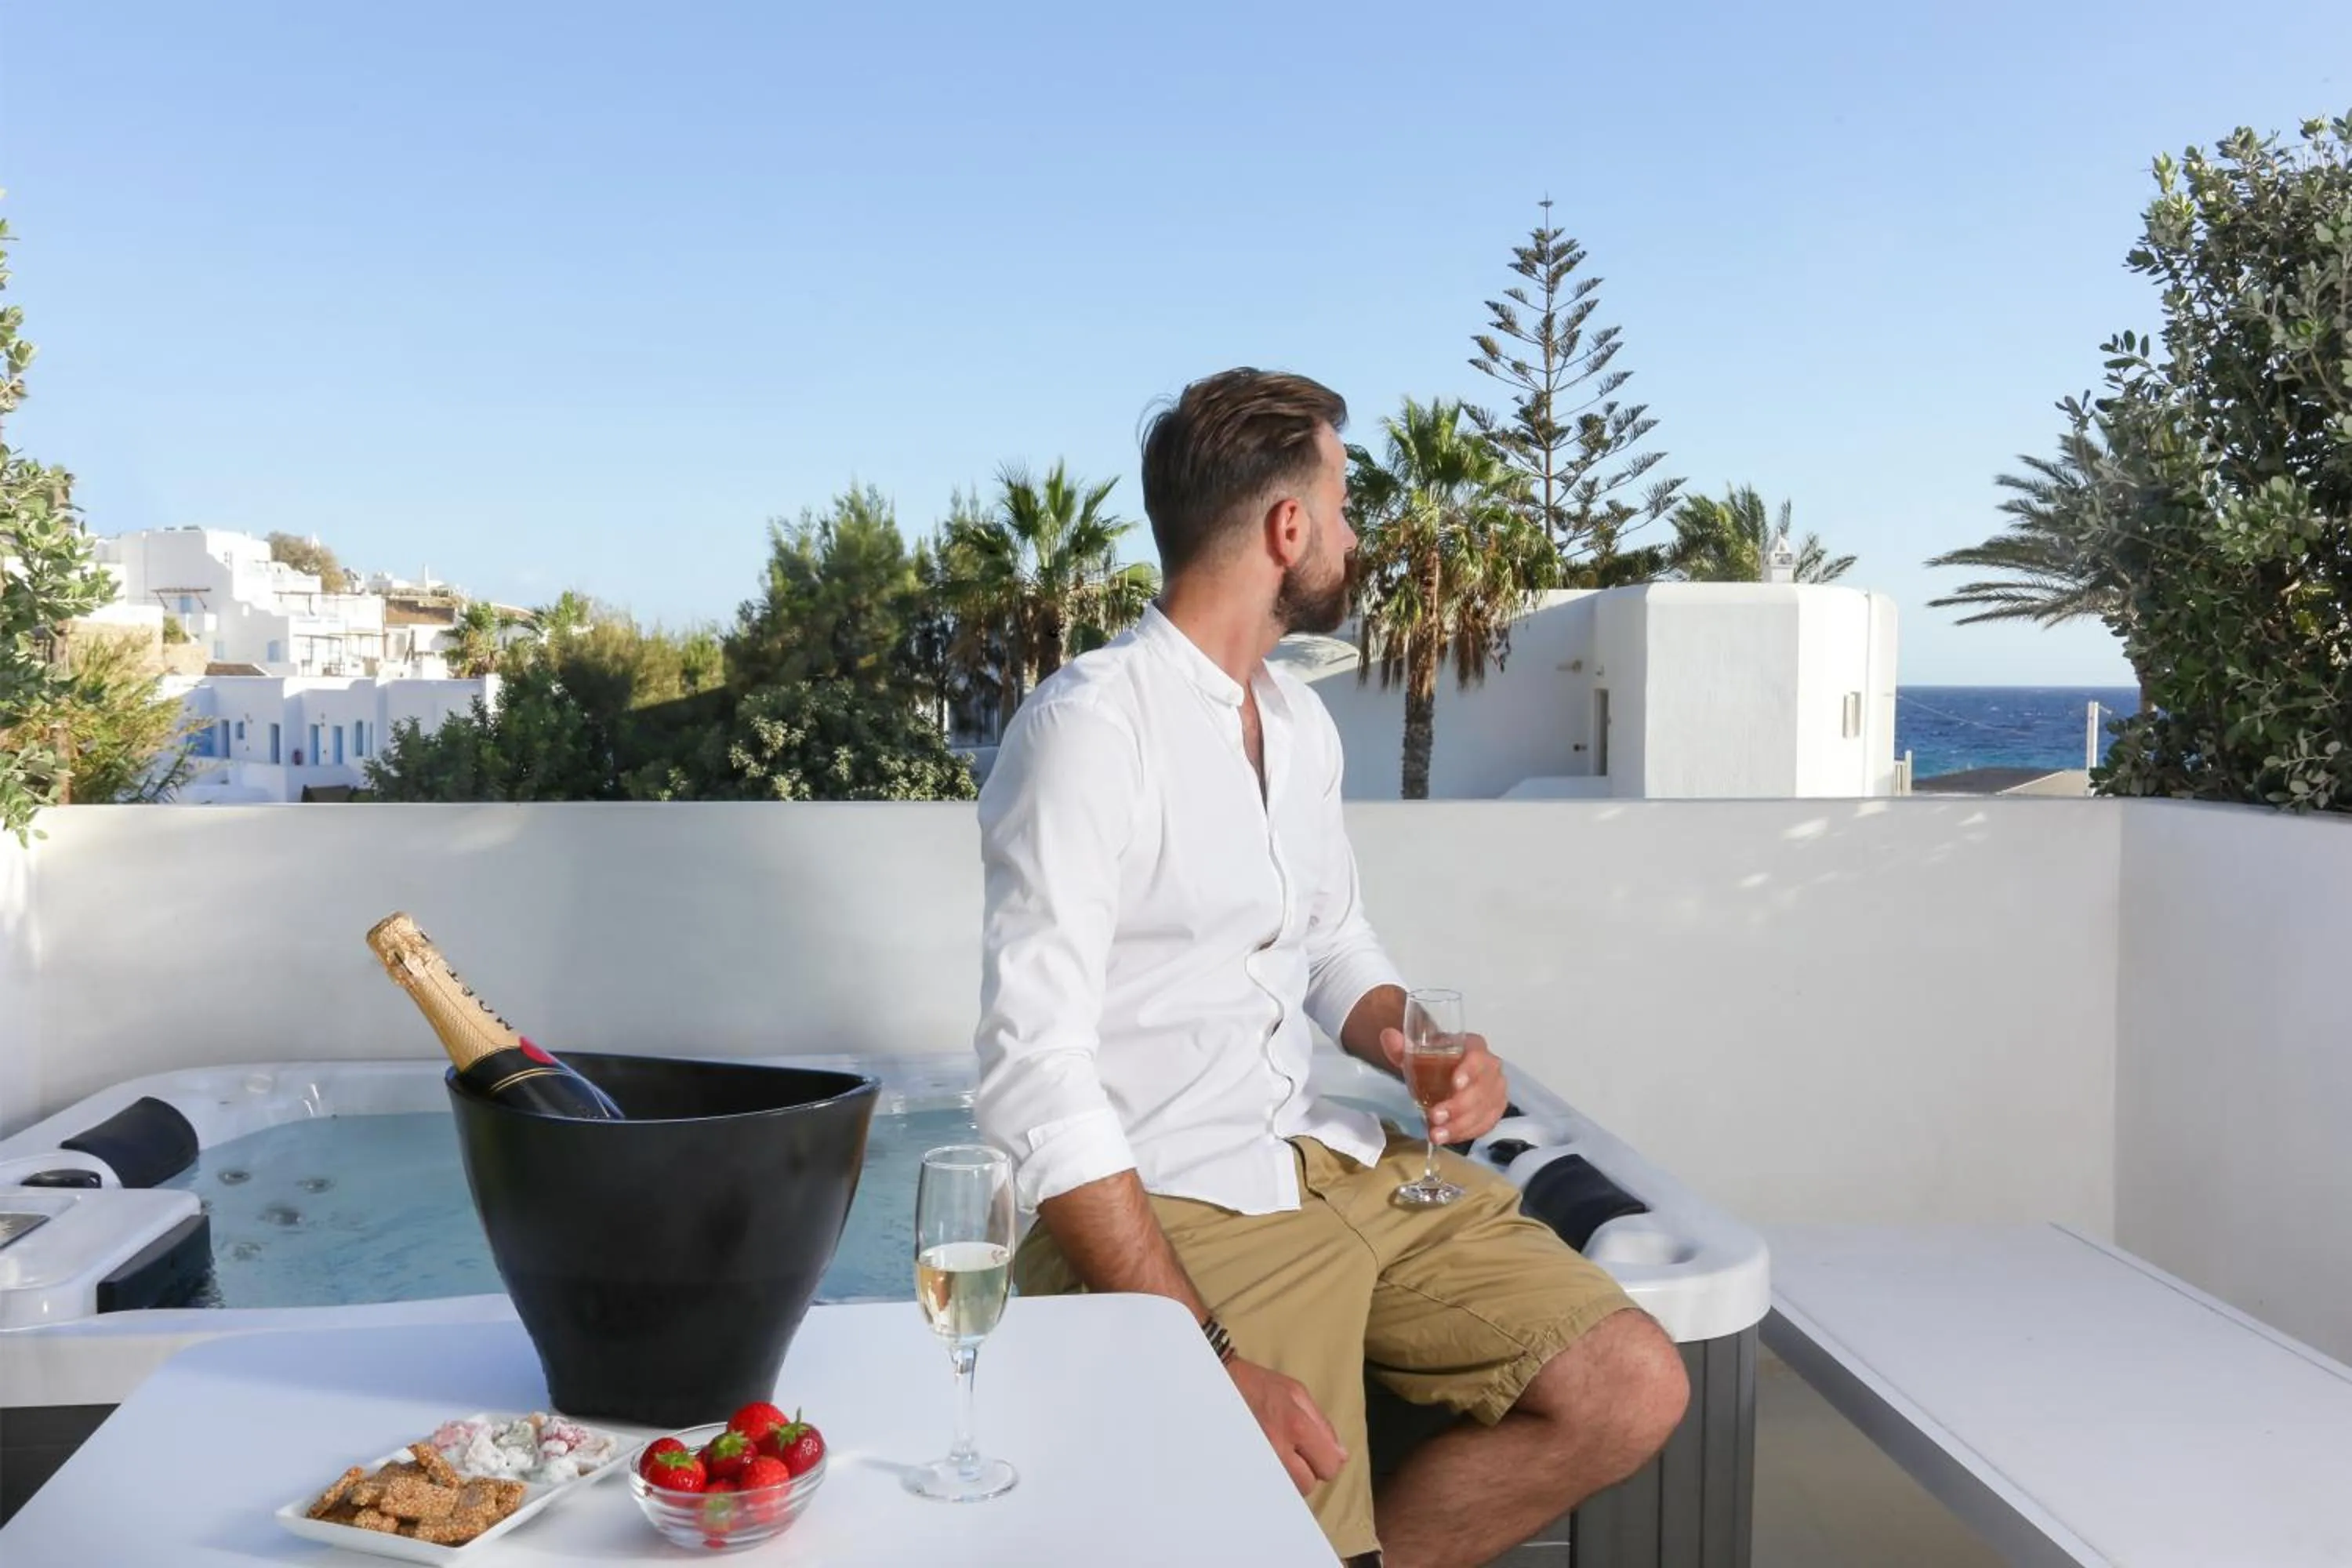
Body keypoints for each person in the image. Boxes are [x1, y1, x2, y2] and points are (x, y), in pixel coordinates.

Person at [971, 368, 1689, 1568]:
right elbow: (1031, 1083)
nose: (1356, 541)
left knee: (1631, 1386)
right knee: (1274, 1508)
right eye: (1345, 507)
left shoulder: (1297, 726)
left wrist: (1416, 1038)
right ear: (1286, 528)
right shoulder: (1090, 730)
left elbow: (1332, 948)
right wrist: (1202, 1359)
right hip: (1177, 1203)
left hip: (1325, 1165)